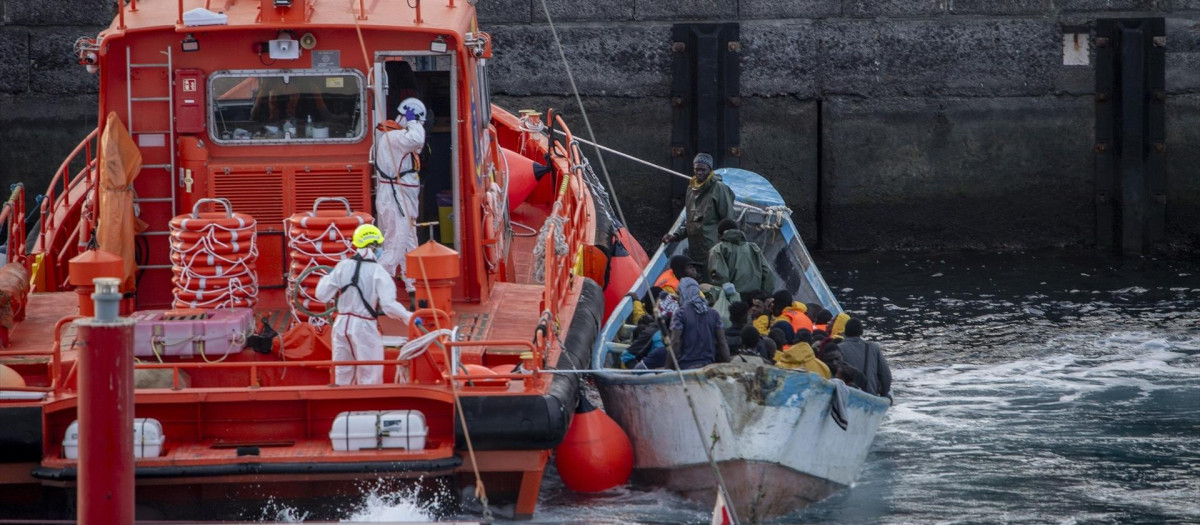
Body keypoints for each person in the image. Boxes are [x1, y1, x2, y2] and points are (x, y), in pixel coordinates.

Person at [315, 225, 416, 386]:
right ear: (375, 245)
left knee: (342, 372)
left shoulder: (342, 266)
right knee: (370, 373)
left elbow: (321, 294)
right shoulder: (378, 271)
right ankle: (368, 401)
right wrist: (409, 317)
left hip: (341, 325)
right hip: (364, 327)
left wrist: (330, 278)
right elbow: (388, 305)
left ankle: (340, 399)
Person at [373, 97, 427, 294]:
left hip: (400, 198)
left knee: (408, 242)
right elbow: (417, 139)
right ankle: (372, 284)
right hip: (396, 198)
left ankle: (412, 283)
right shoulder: (394, 138)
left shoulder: (395, 139)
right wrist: (413, 121)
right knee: (395, 245)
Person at [662, 153, 734, 280]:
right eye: (697, 169)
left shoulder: (719, 188)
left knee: (713, 281)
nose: (699, 172)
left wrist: (726, 248)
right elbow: (691, 220)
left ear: (710, 170)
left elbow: (728, 220)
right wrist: (676, 235)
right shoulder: (691, 189)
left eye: (703, 170)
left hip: (713, 249)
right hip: (695, 250)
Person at [668, 277, 730, 369]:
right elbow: (722, 343)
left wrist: (667, 368)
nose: (678, 298)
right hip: (708, 367)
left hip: (685, 368)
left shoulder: (680, 314)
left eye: (679, 294)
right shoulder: (713, 314)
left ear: (684, 293)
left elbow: (675, 342)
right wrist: (729, 365)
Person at [708, 219, 774, 295]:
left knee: (703, 287)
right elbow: (768, 274)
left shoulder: (718, 249)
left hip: (734, 298)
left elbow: (720, 277)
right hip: (754, 297)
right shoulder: (753, 248)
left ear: (719, 235)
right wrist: (763, 296)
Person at [837, 318, 893, 399]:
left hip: (846, 396)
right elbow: (886, 375)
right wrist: (884, 393)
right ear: (861, 332)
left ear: (845, 332)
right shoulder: (873, 348)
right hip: (871, 396)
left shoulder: (838, 348)